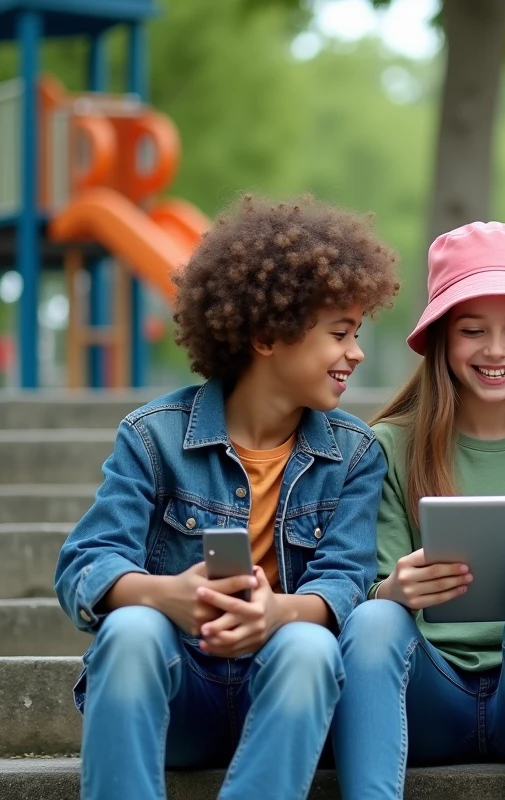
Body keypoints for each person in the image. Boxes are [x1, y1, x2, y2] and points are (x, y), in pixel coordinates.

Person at [53, 195, 400, 800]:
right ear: (268, 336)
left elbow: (345, 583)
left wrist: (276, 614)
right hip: (176, 697)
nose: (356, 352)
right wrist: (169, 597)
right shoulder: (153, 436)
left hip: (287, 700)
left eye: (357, 333)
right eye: (339, 334)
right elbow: (86, 562)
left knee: (310, 642)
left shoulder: (355, 453)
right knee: (133, 627)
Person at [330, 221, 505, 800]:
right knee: (375, 619)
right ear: (440, 338)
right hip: (427, 693)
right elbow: (357, 598)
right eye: (472, 330)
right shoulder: (389, 446)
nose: (495, 350)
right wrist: (394, 592)